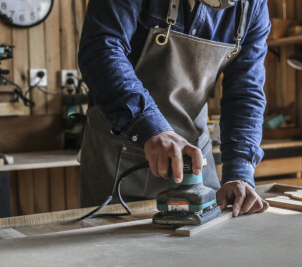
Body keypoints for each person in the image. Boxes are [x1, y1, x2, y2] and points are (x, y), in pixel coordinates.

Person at [78, 0, 271, 217]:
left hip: (195, 165)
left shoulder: (252, 6)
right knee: (113, 248)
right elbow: (101, 50)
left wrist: (239, 172)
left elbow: (245, 92)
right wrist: (150, 127)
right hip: (118, 161)